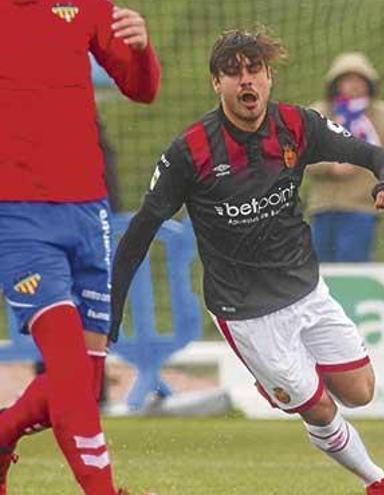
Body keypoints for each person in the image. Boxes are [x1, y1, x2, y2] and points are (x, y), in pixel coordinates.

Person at [109, 28, 384, 495]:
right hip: (246, 311)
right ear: (217, 84)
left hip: (306, 292)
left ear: (268, 77)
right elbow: (139, 232)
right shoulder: (191, 151)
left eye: (254, 70)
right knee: (319, 408)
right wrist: (112, 309)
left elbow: (372, 153)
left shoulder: (297, 125)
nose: (246, 82)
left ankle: (290, 376)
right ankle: (378, 482)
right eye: (233, 73)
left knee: (360, 391)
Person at [0, 1, 160, 494]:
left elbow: (142, 88)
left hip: (90, 212)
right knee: (67, 365)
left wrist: (141, 47)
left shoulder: (88, 7)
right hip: (17, 214)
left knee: (83, 386)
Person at [305, 52, 384, 262]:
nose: (353, 86)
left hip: (362, 207)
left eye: (359, 80)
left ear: (369, 83)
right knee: (320, 273)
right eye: (347, 79)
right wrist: (330, 167)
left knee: (353, 267)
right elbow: (301, 153)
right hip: (323, 206)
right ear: (335, 83)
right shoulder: (318, 114)